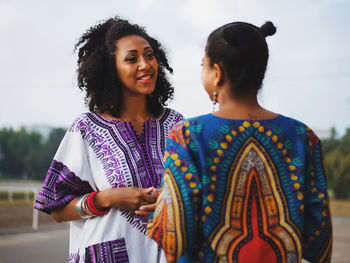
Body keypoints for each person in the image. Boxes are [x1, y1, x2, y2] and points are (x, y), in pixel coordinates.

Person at [147, 21, 332, 263]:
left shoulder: (188, 135)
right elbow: (320, 239)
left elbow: (174, 238)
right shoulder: (303, 136)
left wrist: (161, 207)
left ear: (217, 73)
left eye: (203, 65)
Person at [34, 17, 183, 263]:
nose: (146, 65)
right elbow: (58, 209)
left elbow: (199, 195)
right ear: (111, 69)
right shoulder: (86, 129)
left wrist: (172, 202)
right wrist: (108, 198)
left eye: (149, 55)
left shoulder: (178, 126)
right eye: (132, 58)